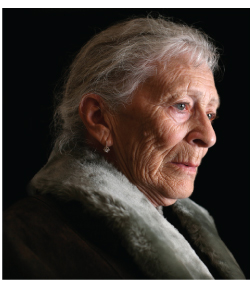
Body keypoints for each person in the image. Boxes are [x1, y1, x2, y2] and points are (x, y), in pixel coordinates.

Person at [3, 16, 245, 279]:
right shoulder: (26, 236)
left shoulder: (193, 232)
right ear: (99, 118)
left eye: (210, 114)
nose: (209, 137)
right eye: (181, 106)